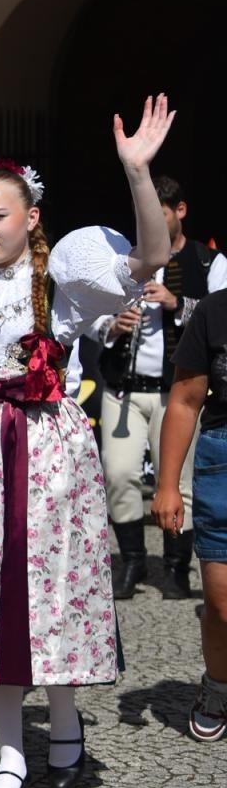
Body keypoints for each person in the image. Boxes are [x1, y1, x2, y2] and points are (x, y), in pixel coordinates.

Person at [0, 96, 176, 788]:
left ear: (30, 218)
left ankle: (64, 727)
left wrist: (137, 173)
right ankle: (9, 751)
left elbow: (150, 258)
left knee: (49, 593)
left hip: (47, 454)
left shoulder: (59, 279)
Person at [97, 176, 227, 599]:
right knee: (118, 474)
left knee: (181, 480)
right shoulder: (124, 260)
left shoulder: (208, 262)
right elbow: (90, 315)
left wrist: (176, 303)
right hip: (124, 386)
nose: (150, 220)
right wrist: (112, 325)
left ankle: (176, 568)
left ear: (179, 211)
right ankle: (132, 561)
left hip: (177, 389)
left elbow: (219, 315)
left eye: (160, 212)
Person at [154, 288, 227, 741]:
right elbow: (184, 401)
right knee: (220, 604)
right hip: (223, 461)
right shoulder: (216, 311)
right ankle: (218, 686)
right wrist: (167, 485)